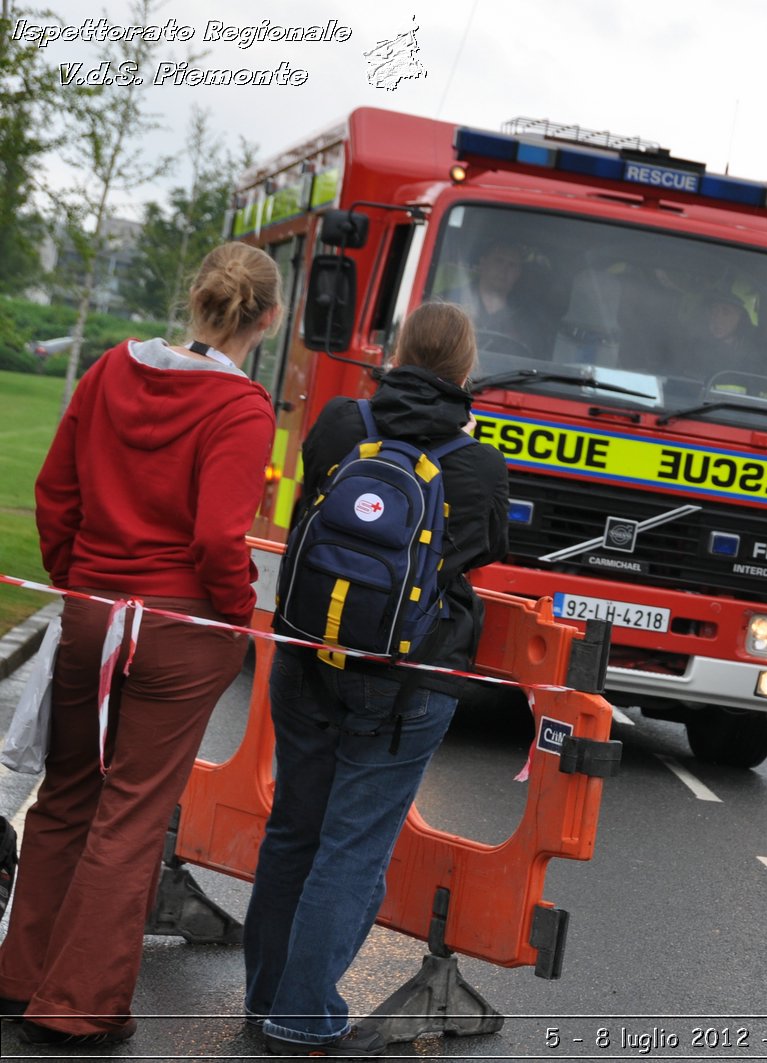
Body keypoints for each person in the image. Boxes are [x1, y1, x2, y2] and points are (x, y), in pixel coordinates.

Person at [0, 243, 280, 1046]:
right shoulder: (242, 407)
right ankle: (78, 1006)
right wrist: (235, 620)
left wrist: (77, 579)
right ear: (267, 319)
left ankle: (20, 976)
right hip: (179, 623)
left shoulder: (108, 372)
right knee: (130, 813)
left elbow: (56, 491)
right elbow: (220, 538)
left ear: (194, 296)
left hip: (95, 607)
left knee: (66, 794)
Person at [243, 303, 510, 1056]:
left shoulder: (338, 421)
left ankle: (266, 1000)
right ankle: (302, 1015)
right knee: (352, 846)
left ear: (396, 352)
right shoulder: (477, 461)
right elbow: (484, 549)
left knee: (293, 830)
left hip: (307, 657)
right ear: (464, 370)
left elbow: (304, 511)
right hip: (406, 679)